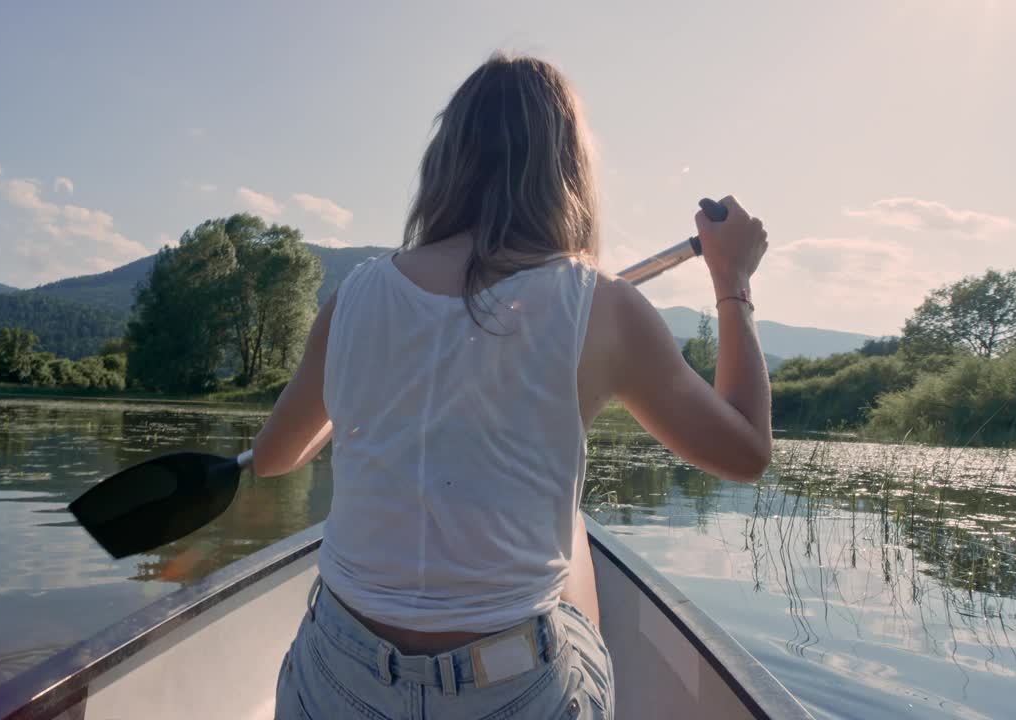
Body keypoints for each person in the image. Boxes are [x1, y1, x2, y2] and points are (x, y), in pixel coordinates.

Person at [253, 51, 770, 720]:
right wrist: (733, 281)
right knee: (571, 532)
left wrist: (362, 389)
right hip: (509, 689)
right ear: (567, 172)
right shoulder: (605, 308)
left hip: (341, 674)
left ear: (446, 163)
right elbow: (746, 452)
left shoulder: (353, 297)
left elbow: (273, 458)